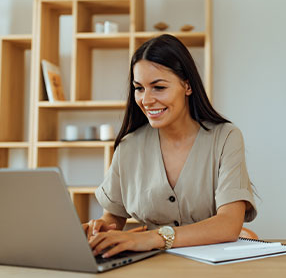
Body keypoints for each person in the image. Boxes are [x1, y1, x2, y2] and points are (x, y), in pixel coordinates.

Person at [84, 34, 257, 259]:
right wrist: (100, 230)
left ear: (187, 85)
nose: (146, 100)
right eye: (139, 88)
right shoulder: (128, 147)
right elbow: (113, 218)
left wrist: (154, 238)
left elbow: (228, 224)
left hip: (212, 268)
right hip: (150, 266)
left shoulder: (225, 138)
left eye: (158, 87)